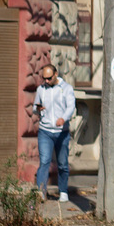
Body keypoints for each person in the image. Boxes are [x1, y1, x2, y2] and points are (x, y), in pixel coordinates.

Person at [33, 63, 76, 202]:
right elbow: (35, 107)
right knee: (44, 161)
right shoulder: (41, 89)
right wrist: (37, 109)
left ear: (56, 74)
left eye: (49, 78)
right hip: (45, 131)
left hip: (61, 132)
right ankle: (41, 191)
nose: (46, 81)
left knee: (62, 163)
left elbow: (71, 106)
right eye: (44, 78)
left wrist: (64, 118)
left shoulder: (66, 88)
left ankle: (63, 190)